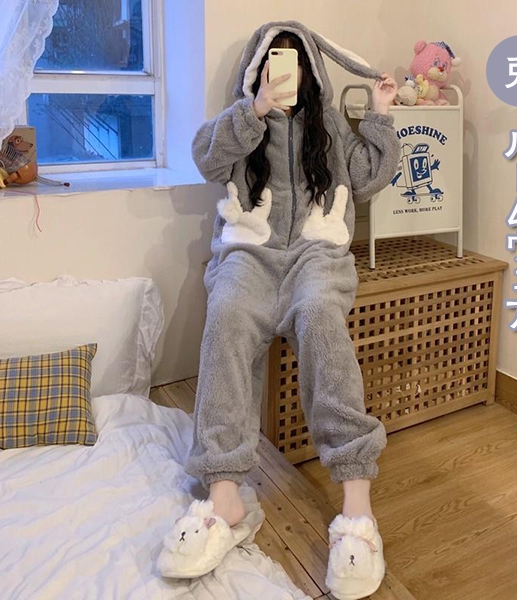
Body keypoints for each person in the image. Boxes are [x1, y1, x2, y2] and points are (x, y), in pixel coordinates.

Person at [165, 20, 400, 599]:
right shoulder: (242, 121)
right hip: (249, 253)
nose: (286, 72)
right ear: (258, 69)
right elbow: (204, 158)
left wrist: (380, 115)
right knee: (227, 316)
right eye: (275, 61)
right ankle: (226, 497)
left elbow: (369, 178)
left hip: (316, 254)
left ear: (311, 74)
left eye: (295, 62)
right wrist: (255, 110)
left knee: (320, 317)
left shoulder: (329, 128)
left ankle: (356, 505)